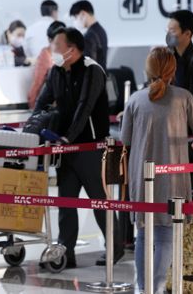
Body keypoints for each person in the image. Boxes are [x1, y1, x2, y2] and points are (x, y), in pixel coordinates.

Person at [121, 47, 193, 293]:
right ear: (173, 70)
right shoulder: (184, 97)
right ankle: (157, 288)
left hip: (142, 176)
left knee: (143, 236)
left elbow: (125, 139)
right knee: (165, 236)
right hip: (173, 177)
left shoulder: (135, 100)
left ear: (147, 70)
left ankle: (143, 287)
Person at [34, 27, 122, 268]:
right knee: (67, 201)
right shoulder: (56, 72)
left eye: (57, 45)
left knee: (98, 200)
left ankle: (115, 247)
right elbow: (43, 101)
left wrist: (68, 139)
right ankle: (66, 252)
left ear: (71, 49)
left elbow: (85, 107)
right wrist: (31, 129)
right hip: (66, 149)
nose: (53, 49)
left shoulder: (92, 70)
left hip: (90, 147)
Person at [27, 20, 65, 109]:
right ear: (49, 40)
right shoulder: (45, 57)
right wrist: (34, 110)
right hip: (50, 107)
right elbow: (37, 84)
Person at [69, 0, 108, 71]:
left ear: (83, 14)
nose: (75, 21)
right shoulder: (100, 30)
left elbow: (88, 66)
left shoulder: (90, 35)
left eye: (75, 17)